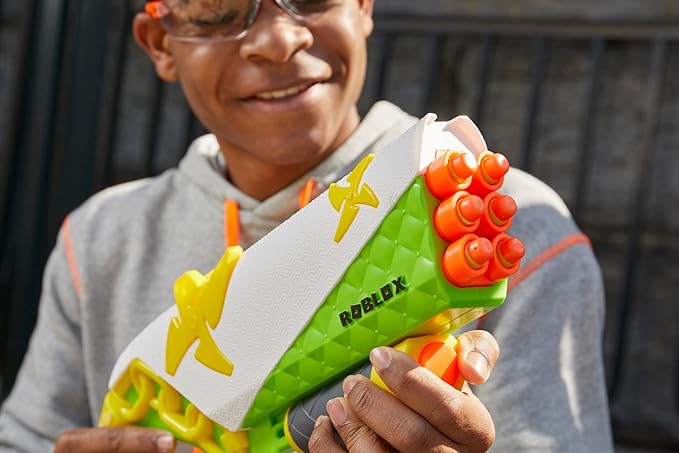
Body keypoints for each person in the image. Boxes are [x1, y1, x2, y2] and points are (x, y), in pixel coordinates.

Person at [0, 0, 614, 451]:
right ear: (160, 42)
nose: (278, 39)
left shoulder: (517, 223)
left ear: (364, 6)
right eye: (217, 9)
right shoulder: (100, 237)